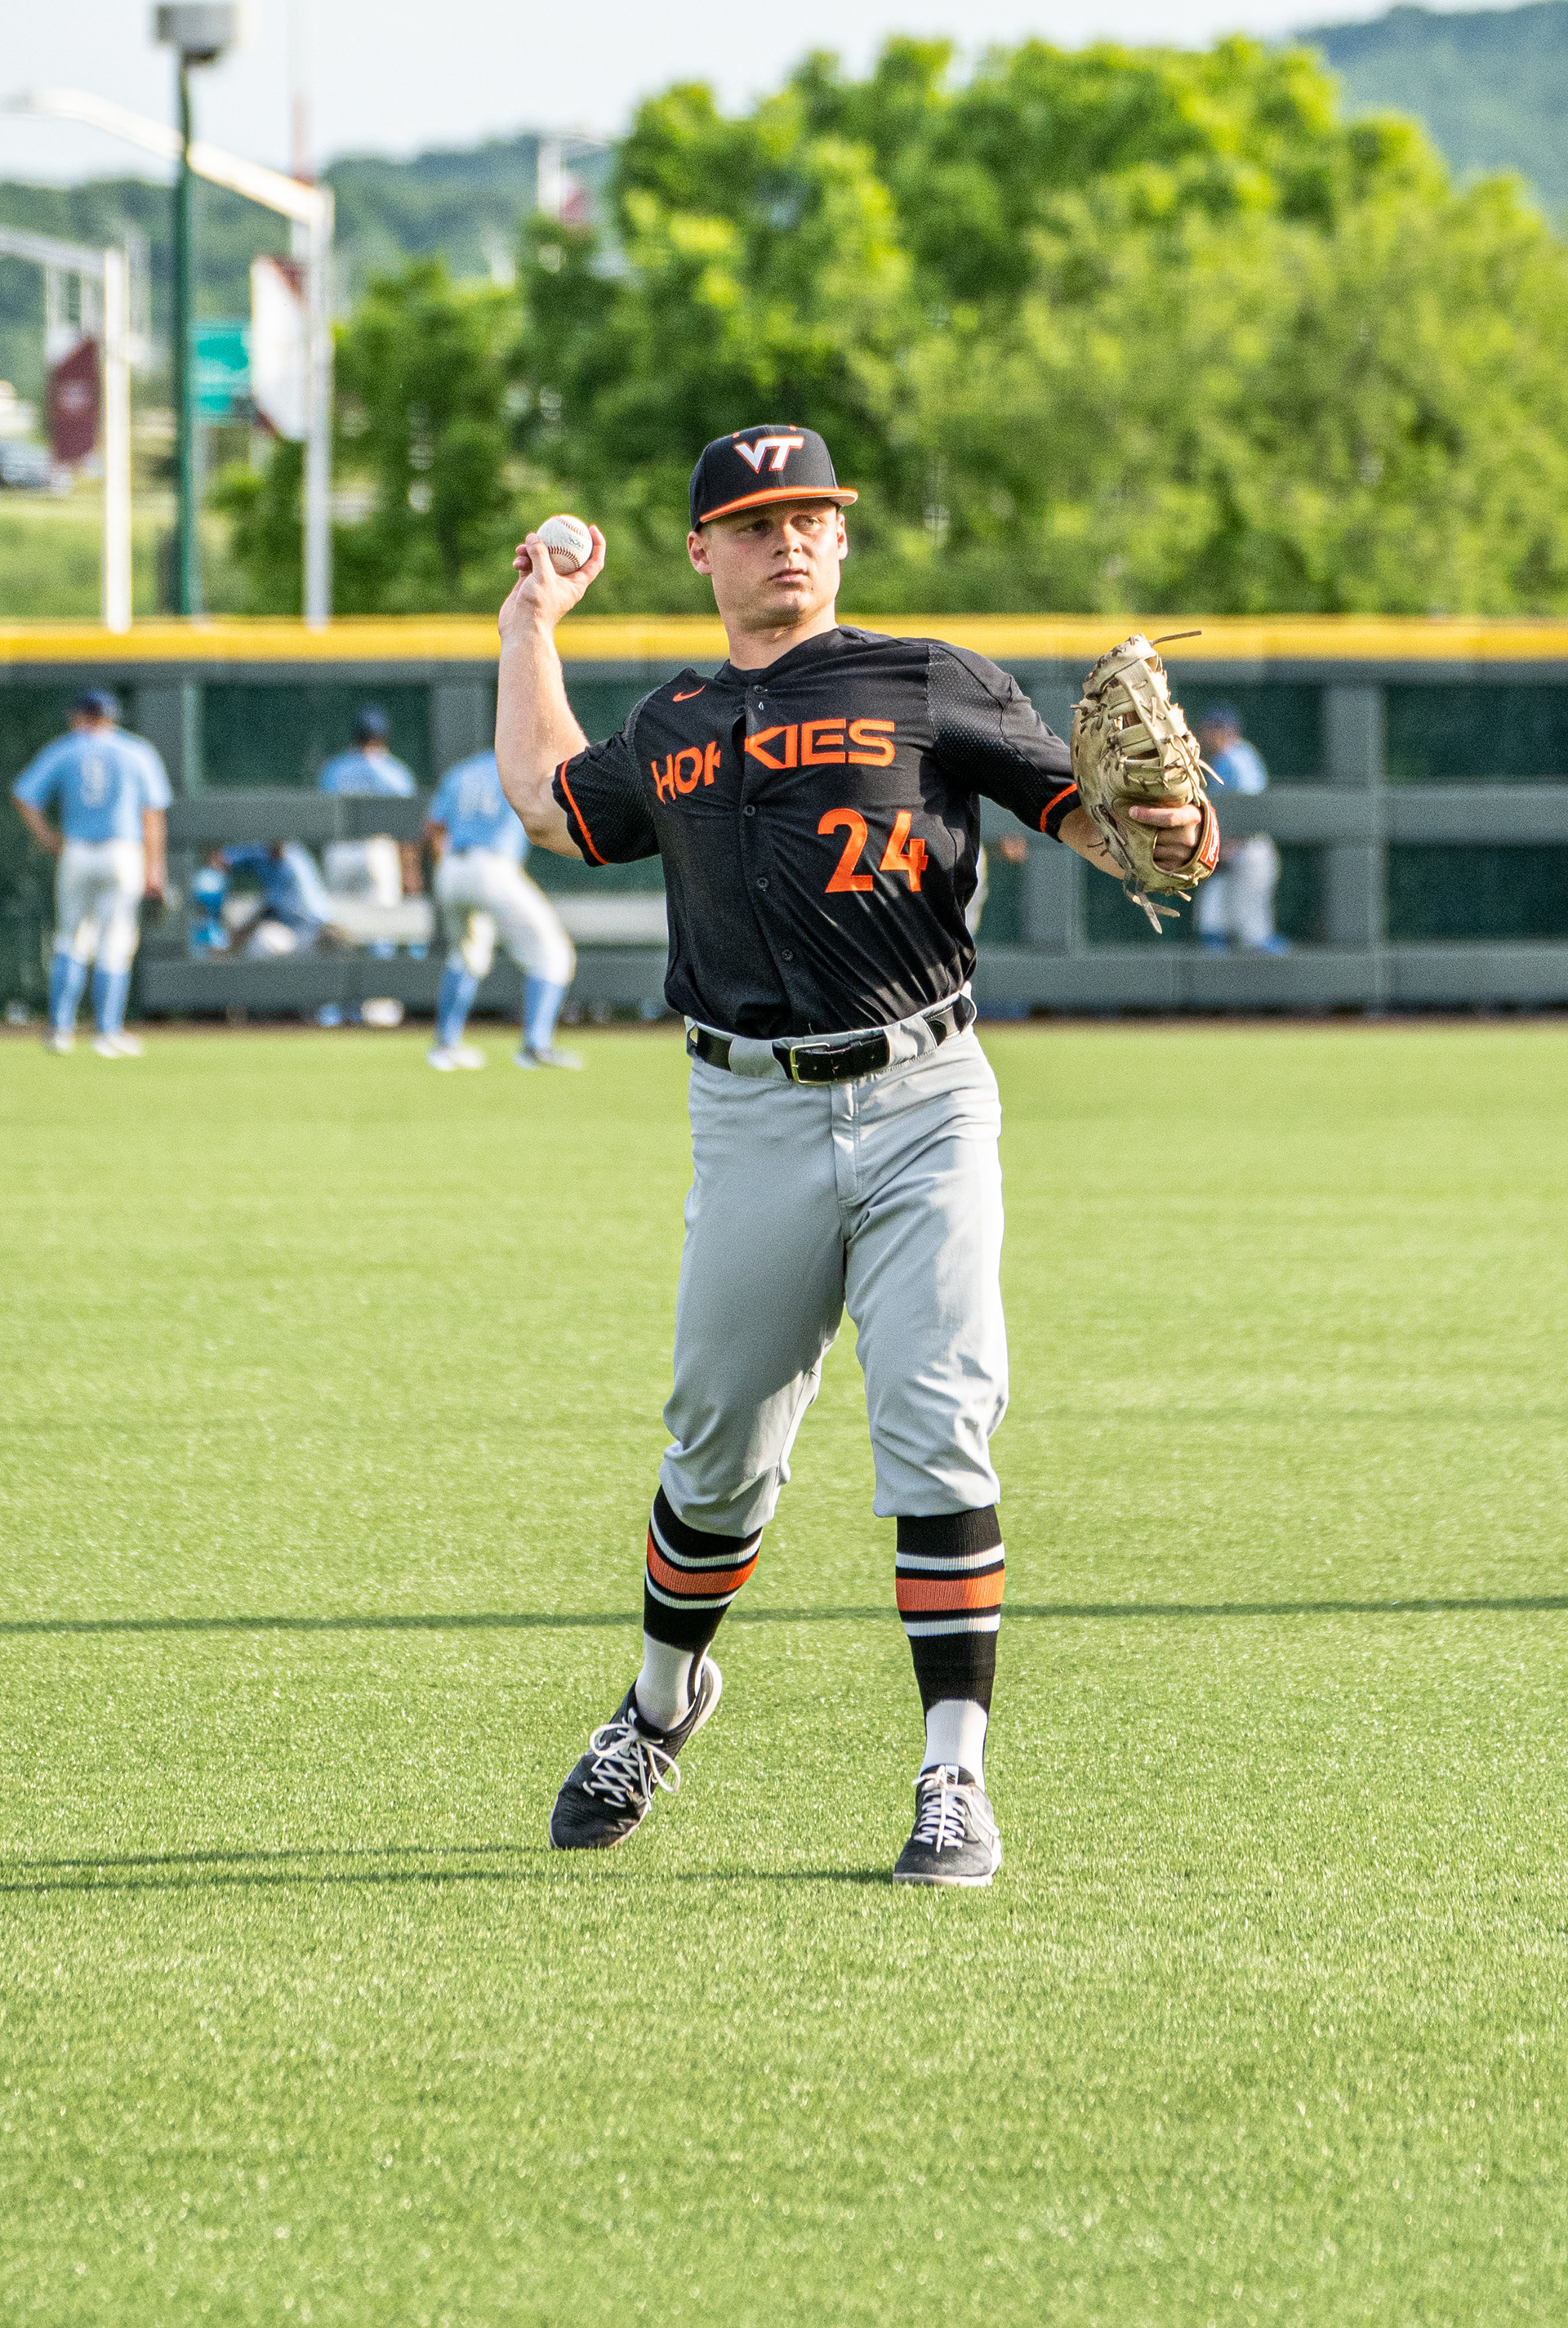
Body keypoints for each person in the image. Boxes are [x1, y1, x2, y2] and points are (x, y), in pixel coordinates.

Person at [495, 424, 1210, 1888]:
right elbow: (552, 804)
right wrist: (525, 627)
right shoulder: (678, 718)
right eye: (757, 522)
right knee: (717, 1448)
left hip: (927, 1098)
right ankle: (658, 1703)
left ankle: (954, 1775)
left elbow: (1111, 829)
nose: (792, 540)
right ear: (703, 552)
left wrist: (1177, 829)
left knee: (940, 1416)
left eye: (814, 514)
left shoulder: (926, 678)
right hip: (749, 1108)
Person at [10, 688, 171, 1057]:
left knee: (71, 938)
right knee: (115, 942)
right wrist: (155, 867)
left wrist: (48, 837)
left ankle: (60, 1030)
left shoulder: (65, 748)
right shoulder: (136, 750)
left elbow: (24, 794)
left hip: (78, 852)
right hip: (122, 853)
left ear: (82, 715)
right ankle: (107, 1032)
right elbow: (152, 815)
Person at [421, 747, 580, 1072]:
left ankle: (445, 1046)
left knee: (465, 956)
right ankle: (535, 1046)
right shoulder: (523, 765)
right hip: (492, 867)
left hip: (452, 867)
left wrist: (448, 868)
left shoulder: (462, 770)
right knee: (553, 954)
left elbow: (434, 827)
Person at [317, 705, 420, 1024]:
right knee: (381, 930)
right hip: (377, 851)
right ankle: (379, 1009)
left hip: (339, 853)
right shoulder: (394, 770)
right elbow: (406, 828)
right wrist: (411, 872)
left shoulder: (335, 769)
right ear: (383, 736)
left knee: (339, 929)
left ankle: (335, 1009)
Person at [1195, 705, 1288, 955]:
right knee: (1216, 910)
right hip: (1233, 847)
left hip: (1248, 846)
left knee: (1252, 926)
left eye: (1209, 730)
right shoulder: (1227, 759)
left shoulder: (1239, 759)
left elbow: (1252, 809)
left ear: (1223, 731)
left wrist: (1232, 844)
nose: (1205, 736)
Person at [220, 841, 335, 957]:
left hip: (310, 931)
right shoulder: (266, 852)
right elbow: (224, 860)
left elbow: (268, 911)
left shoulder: (290, 865)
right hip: (295, 926)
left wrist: (233, 943)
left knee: (259, 943)